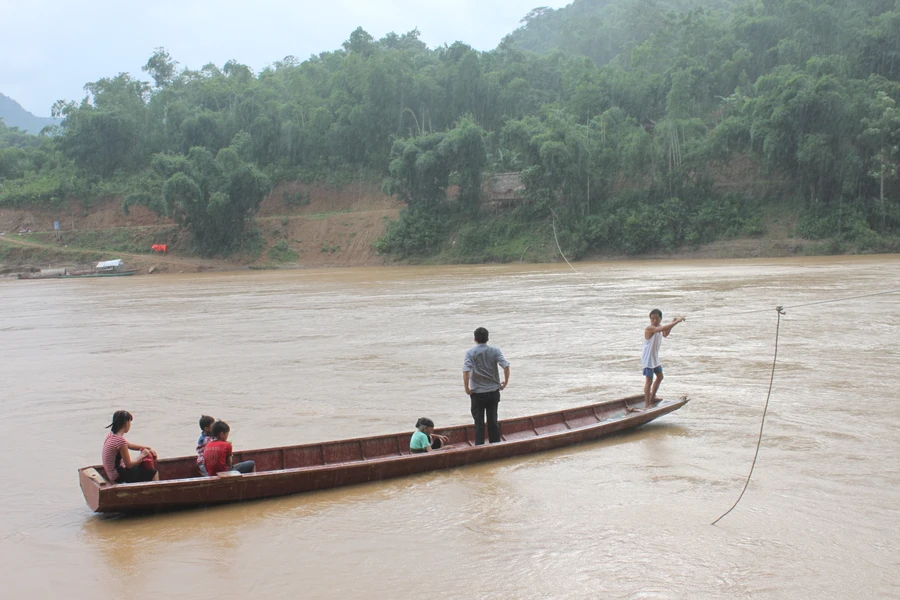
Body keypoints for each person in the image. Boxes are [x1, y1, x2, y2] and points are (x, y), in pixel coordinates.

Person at [463, 327, 510, 445]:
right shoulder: (495, 351)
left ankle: (479, 446)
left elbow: (466, 371)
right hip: (493, 392)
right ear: (488, 338)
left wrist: (467, 388)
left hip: (477, 394)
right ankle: (495, 446)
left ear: (475, 339)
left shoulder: (470, 353)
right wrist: (506, 381)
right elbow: (506, 366)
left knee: (478, 423)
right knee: (493, 421)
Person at [641, 309, 685, 409]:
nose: (654, 321)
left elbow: (665, 334)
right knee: (649, 381)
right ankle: (647, 405)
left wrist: (673, 323)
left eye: (657, 318)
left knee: (660, 377)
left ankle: (652, 398)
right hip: (648, 358)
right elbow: (664, 328)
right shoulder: (650, 328)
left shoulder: (659, 327)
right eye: (652, 319)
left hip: (655, 358)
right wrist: (676, 322)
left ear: (660, 318)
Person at [101, 410, 159, 483]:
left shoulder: (111, 436)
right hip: (118, 476)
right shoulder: (120, 441)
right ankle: (156, 492)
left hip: (112, 473)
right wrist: (142, 455)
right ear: (126, 423)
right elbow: (129, 465)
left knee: (139, 466)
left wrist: (148, 448)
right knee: (153, 472)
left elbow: (130, 445)